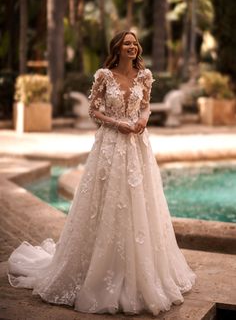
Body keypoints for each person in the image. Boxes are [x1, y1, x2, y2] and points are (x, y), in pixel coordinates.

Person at [7, 31, 196, 316]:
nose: (132, 47)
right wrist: (117, 123)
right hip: (110, 144)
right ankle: (97, 268)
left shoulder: (144, 76)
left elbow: (144, 107)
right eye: (127, 43)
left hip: (137, 147)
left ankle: (140, 271)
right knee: (107, 201)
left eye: (135, 43)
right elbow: (93, 112)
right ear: (117, 48)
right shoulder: (104, 76)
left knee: (139, 203)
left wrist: (142, 122)